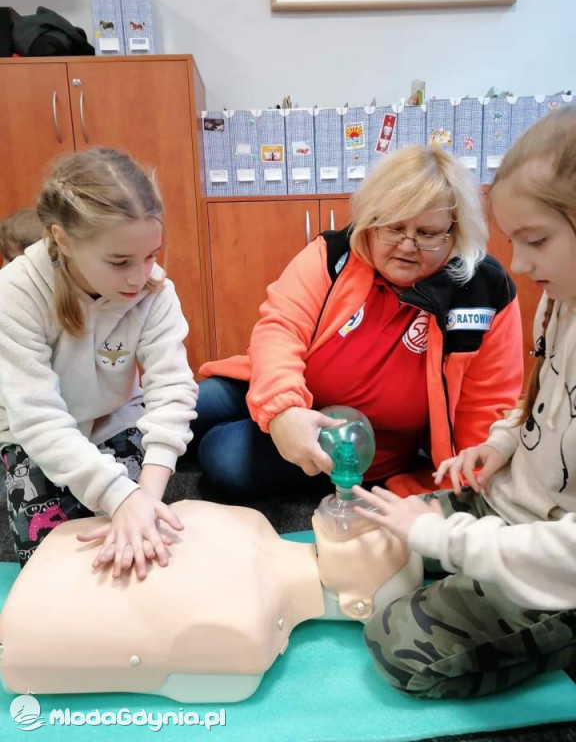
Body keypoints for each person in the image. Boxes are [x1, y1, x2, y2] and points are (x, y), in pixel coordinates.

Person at [352, 105, 576, 699]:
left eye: (536, 241)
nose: (522, 265)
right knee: (372, 542)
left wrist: (447, 542)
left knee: (394, 642)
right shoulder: (561, 297)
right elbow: (535, 397)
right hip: (513, 508)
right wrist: (500, 445)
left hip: (561, 564)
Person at [194, 145, 523, 501]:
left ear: (454, 234)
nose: (408, 246)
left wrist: (459, 489)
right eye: (394, 227)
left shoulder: (484, 293)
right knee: (191, 407)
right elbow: (280, 328)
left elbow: (487, 408)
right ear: (370, 221)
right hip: (281, 385)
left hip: (357, 439)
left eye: (428, 233)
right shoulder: (333, 254)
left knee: (221, 456)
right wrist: (284, 412)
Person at [0, 148, 198, 580]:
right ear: (64, 240)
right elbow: (37, 418)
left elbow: (172, 392)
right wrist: (116, 495)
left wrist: (141, 497)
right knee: (55, 573)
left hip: (113, 419)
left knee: (140, 550)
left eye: (151, 255)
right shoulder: (16, 293)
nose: (139, 276)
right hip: (32, 437)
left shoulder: (155, 289)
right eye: (120, 261)